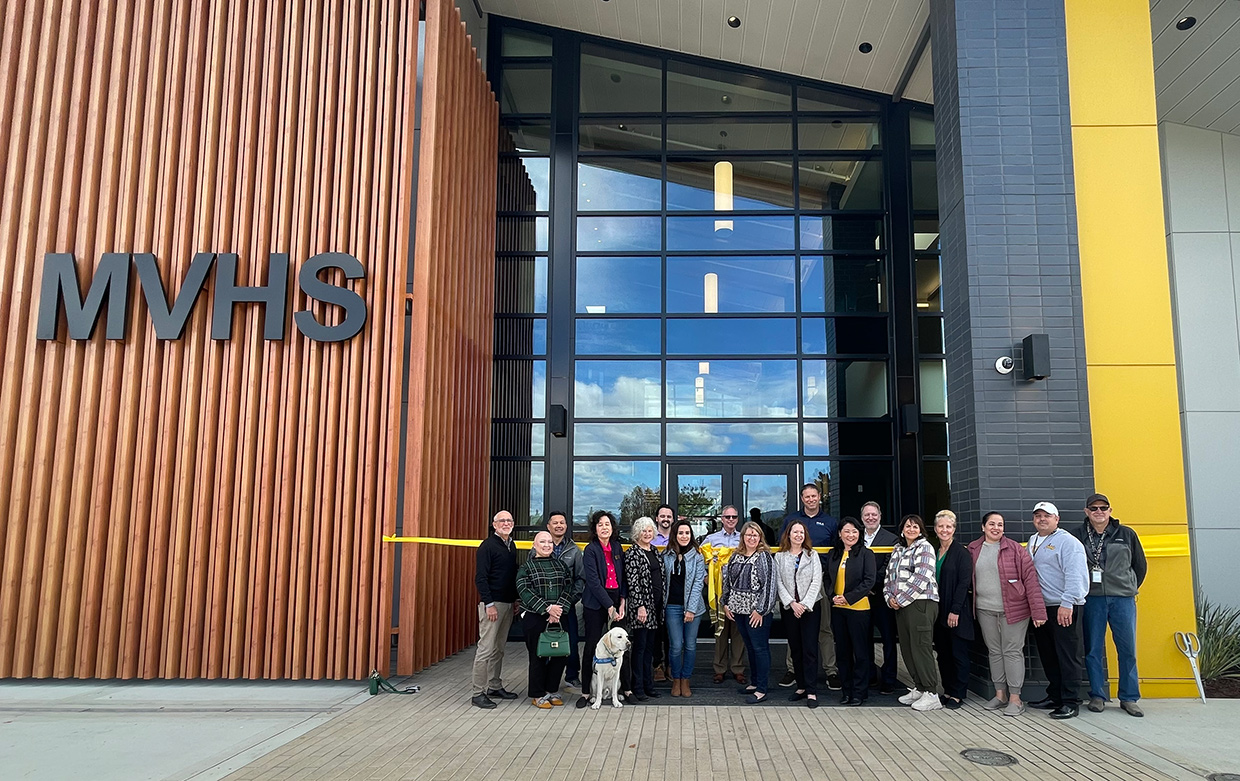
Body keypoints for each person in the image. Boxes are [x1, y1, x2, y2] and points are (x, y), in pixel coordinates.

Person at [1073, 493, 1147, 717]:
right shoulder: (1077, 535)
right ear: (1086, 511)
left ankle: (1129, 697)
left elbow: (1140, 565)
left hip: (1122, 598)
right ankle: (1097, 695)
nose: (1099, 512)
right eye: (1093, 508)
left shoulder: (1126, 534)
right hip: (1092, 598)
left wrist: (1129, 585)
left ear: (1110, 511)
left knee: (1127, 649)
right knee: (1093, 648)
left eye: (1103, 508)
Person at [967, 511, 1046, 716]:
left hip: (1014, 609)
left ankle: (1015, 698)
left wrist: (1038, 612)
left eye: (1000, 525)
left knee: (1011, 651)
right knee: (994, 650)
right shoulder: (974, 549)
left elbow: (1030, 580)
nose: (996, 528)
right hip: (985, 609)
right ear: (983, 527)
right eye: (991, 524)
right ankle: (1000, 694)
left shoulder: (1015, 549)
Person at [1027, 501, 1090, 720]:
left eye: (1047, 515)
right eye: (1038, 515)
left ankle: (1071, 701)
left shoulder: (1068, 542)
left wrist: (1067, 603)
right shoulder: (1034, 540)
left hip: (1063, 606)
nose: (1042, 519)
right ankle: (1055, 695)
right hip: (1042, 607)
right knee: (1049, 654)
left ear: (1057, 519)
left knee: (1068, 655)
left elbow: (1075, 574)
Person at [779, 483, 841, 691]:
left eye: (814, 496)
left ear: (820, 497)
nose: (811, 499)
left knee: (824, 627)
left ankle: (830, 670)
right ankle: (793, 669)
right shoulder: (792, 520)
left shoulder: (830, 522)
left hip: (820, 581)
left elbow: (836, 552)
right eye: (807, 496)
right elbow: (782, 547)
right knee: (794, 630)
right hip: (793, 582)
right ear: (802, 498)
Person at [884, 514, 943, 712]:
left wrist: (899, 599)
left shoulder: (924, 547)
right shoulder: (898, 548)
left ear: (921, 530)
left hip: (921, 603)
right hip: (901, 605)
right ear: (902, 529)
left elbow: (921, 576)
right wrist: (889, 597)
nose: (911, 529)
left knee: (921, 647)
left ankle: (932, 693)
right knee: (908, 648)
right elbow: (889, 576)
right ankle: (919, 687)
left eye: (915, 526)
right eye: (908, 526)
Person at [517, 531, 580, 708]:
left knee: (560, 655)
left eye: (550, 542)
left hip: (560, 616)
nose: (546, 545)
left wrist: (558, 609)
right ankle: (537, 694)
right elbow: (525, 591)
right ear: (534, 545)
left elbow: (569, 587)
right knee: (538, 656)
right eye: (542, 542)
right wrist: (547, 608)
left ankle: (551, 690)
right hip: (535, 617)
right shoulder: (526, 567)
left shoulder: (561, 565)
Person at [575, 510, 628, 709]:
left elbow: (622, 577)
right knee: (591, 647)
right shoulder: (590, 550)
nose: (604, 527)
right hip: (596, 603)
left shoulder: (617, 547)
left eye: (607, 524)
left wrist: (622, 601)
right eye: (600, 524)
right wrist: (609, 606)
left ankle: (624, 690)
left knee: (622, 646)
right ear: (595, 529)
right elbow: (594, 582)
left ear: (612, 527)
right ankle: (586, 692)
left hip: (616, 600)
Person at [722, 521, 778, 704]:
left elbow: (770, 586)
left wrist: (761, 610)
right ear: (743, 537)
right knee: (750, 647)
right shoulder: (735, 556)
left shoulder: (765, 557)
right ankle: (754, 683)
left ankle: (762, 689)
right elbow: (727, 581)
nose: (751, 538)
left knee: (760, 648)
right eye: (748, 535)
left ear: (760, 537)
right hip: (738, 609)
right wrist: (726, 603)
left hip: (757, 611)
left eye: (755, 535)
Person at [824, 517, 877, 706]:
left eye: (854, 531)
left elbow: (869, 581)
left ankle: (859, 692)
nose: (851, 535)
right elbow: (828, 578)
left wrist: (849, 597)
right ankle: (846, 691)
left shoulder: (866, 554)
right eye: (846, 531)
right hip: (838, 609)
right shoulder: (834, 554)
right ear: (839, 534)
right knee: (843, 652)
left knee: (861, 652)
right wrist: (833, 597)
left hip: (858, 609)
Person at [470, 510, 519, 709]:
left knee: (498, 649)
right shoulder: (487, 546)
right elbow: (480, 578)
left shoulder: (511, 545)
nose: (506, 523)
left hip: (507, 603)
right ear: (494, 524)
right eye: (502, 521)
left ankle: (494, 685)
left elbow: (511, 574)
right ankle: (477, 693)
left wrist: (515, 599)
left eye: (509, 520)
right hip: (492, 605)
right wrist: (488, 604)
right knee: (486, 649)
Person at [774, 520, 824, 707]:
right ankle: (801, 686)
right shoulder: (780, 557)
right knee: (795, 648)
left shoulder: (813, 555)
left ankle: (811, 691)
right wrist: (791, 603)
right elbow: (778, 582)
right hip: (790, 609)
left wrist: (804, 604)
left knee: (810, 649)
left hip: (810, 608)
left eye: (801, 533)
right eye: (795, 532)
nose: (798, 535)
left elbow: (816, 581)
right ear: (788, 535)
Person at [932, 510, 975, 709]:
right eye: (941, 526)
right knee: (943, 653)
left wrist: (955, 610)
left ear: (954, 529)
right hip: (938, 612)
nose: (944, 530)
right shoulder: (933, 550)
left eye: (948, 527)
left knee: (958, 654)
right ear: (935, 529)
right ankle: (947, 690)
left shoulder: (961, 553)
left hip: (956, 612)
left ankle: (958, 694)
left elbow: (963, 583)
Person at [702, 505, 746, 684]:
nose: (730, 520)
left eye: (734, 517)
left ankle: (738, 668)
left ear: (737, 519)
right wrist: (706, 577)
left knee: (738, 632)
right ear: (721, 518)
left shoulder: (744, 540)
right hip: (719, 590)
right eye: (727, 517)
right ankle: (719, 669)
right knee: (720, 631)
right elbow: (701, 563)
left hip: (739, 591)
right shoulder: (711, 540)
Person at [662, 518, 706, 698]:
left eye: (687, 533)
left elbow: (697, 584)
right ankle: (676, 679)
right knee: (675, 646)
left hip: (693, 609)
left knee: (690, 645)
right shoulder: (666, 555)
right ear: (675, 535)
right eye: (680, 533)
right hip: (672, 606)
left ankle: (686, 679)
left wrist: (691, 610)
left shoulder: (697, 556)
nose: (684, 536)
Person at [624, 516, 665, 701]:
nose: (647, 534)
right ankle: (637, 686)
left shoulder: (655, 551)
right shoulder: (633, 553)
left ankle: (649, 685)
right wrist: (640, 606)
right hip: (642, 608)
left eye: (650, 531)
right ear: (637, 533)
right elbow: (633, 583)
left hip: (656, 607)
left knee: (650, 648)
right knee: (639, 648)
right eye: (643, 531)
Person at [862, 501, 900, 694]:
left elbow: (888, 568)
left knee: (887, 639)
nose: (870, 518)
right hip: (861, 598)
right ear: (862, 518)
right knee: (864, 638)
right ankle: (869, 676)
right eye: (867, 515)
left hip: (881, 596)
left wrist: (867, 584)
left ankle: (889, 679)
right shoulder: (855, 537)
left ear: (880, 516)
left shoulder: (891, 539)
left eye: (874, 515)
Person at [547, 511, 584, 688]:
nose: (559, 525)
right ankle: (547, 678)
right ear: (548, 526)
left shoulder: (574, 550)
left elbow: (581, 578)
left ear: (566, 526)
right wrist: (546, 606)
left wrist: (568, 602)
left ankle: (572, 675)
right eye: (555, 523)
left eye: (562, 522)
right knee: (546, 640)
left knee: (571, 641)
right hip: (545, 607)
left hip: (567, 605)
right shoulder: (539, 546)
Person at [651, 504, 675, 682]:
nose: (665, 519)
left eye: (669, 516)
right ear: (657, 519)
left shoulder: (679, 538)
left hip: (674, 592)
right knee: (656, 632)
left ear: (672, 520)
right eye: (662, 516)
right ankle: (657, 665)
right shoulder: (650, 538)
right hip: (654, 592)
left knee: (672, 632)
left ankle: (671, 665)